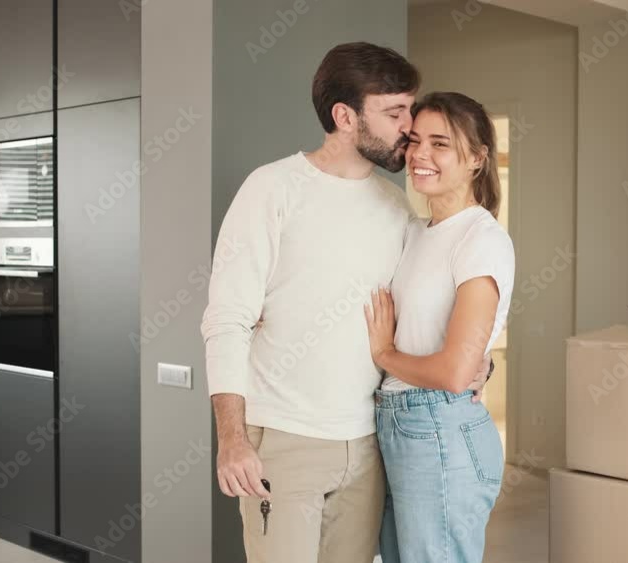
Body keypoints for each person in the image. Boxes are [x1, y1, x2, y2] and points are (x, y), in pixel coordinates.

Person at [200, 43, 489, 563]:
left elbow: (417, 314)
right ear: (345, 117)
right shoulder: (271, 189)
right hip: (284, 438)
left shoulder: (399, 209)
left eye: (410, 107)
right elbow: (227, 321)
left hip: (369, 443)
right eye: (395, 111)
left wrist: (477, 360)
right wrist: (232, 439)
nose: (410, 126)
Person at [364, 92, 516, 563]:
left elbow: (455, 372)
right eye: (414, 141)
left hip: (440, 428)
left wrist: (385, 355)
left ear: (476, 158)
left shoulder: (481, 239)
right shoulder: (415, 231)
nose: (419, 155)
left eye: (440, 144)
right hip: (397, 423)